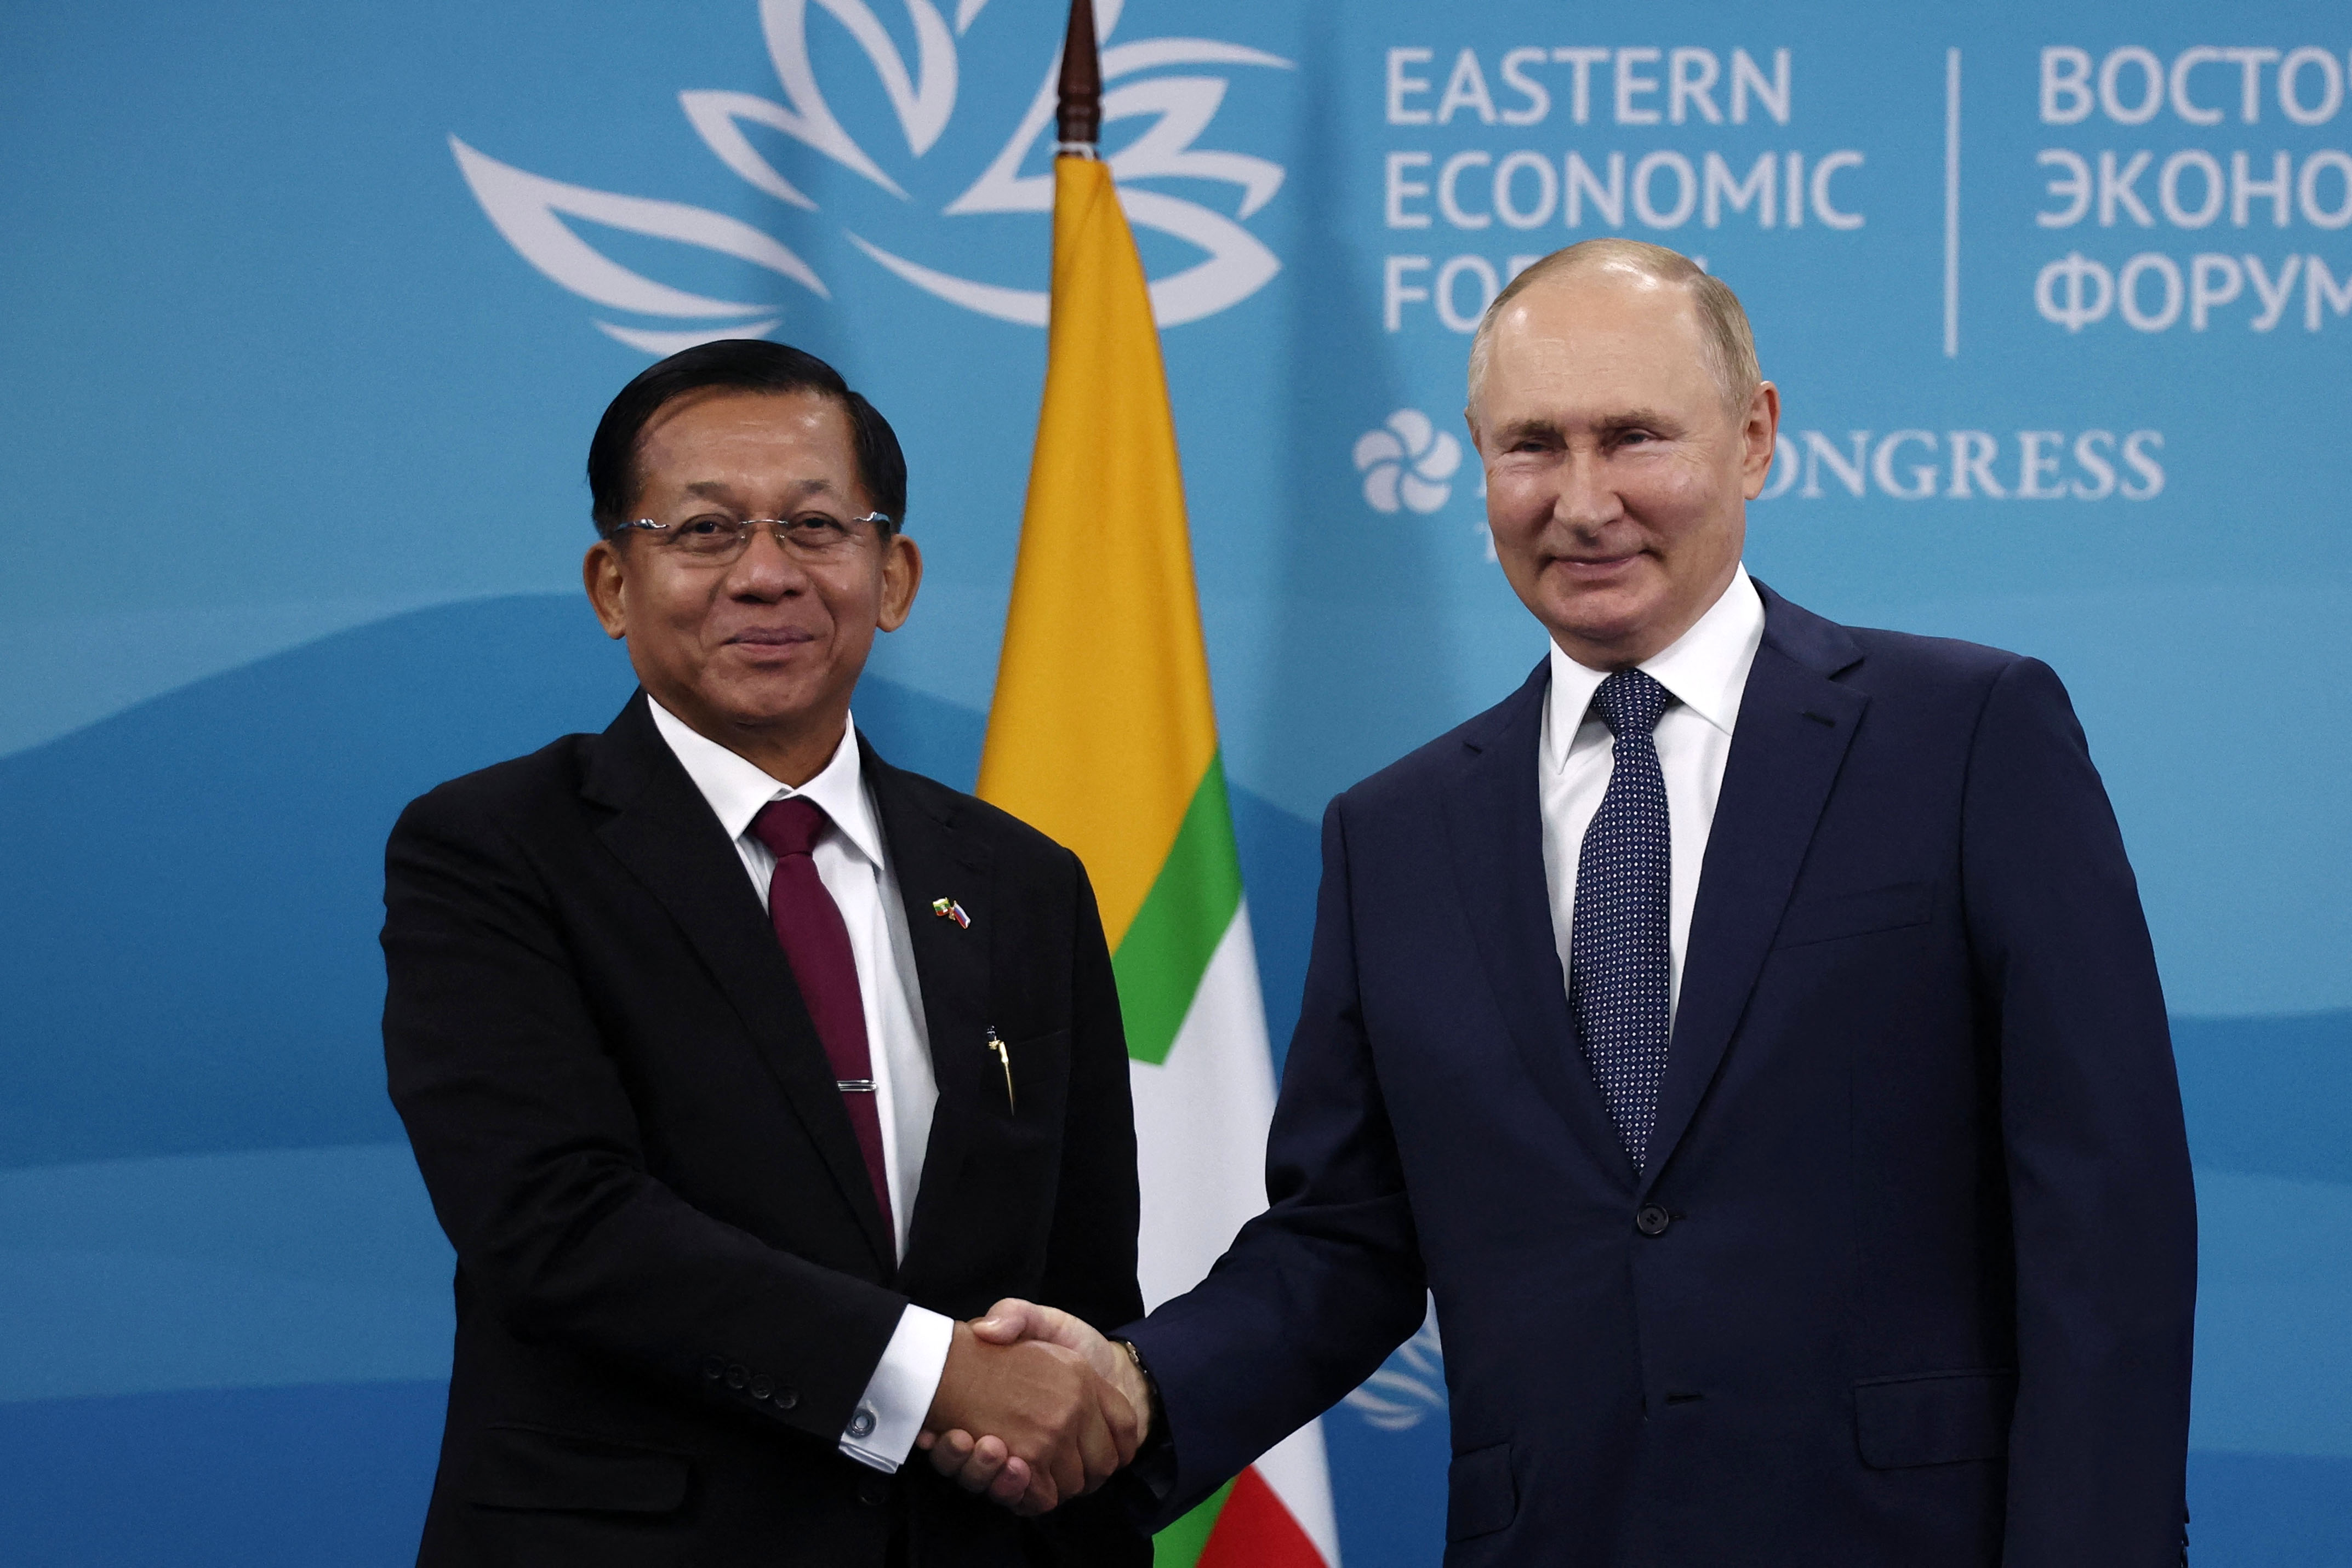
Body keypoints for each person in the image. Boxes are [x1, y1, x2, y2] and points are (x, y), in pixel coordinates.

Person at [934, 239, 2198, 1566]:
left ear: (1755, 436)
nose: (1583, 502)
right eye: (1532, 446)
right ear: (1477, 458)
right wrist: (1139, 1384)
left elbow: (2102, 1207)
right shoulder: (1398, 834)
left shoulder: (1964, 736)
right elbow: (1347, 1240)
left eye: (1634, 437)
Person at [380, 339, 1149, 1566]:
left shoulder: (1023, 882)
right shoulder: (493, 851)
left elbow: (1084, 1279)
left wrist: (1065, 1420)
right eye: (702, 532)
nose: (763, 576)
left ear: (890, 575)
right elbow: (552, 1223)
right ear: (610, 584)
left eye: (814, 527)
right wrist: (934, 1375)